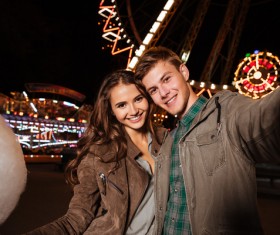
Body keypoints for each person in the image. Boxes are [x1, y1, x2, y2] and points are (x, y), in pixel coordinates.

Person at [134, 46, 280, 235]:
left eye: (167, 79)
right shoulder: (169, 140)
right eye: (153, 90)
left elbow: (263, 120)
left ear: (184, 72)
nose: (163, 93)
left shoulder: (227, 113)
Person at [25, 69, 168, 234]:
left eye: (138, 99)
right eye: (122, 105)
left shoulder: (168, 141)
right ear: (111, 111)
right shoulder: (99, 154)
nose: (134, 110)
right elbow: (76, 219)